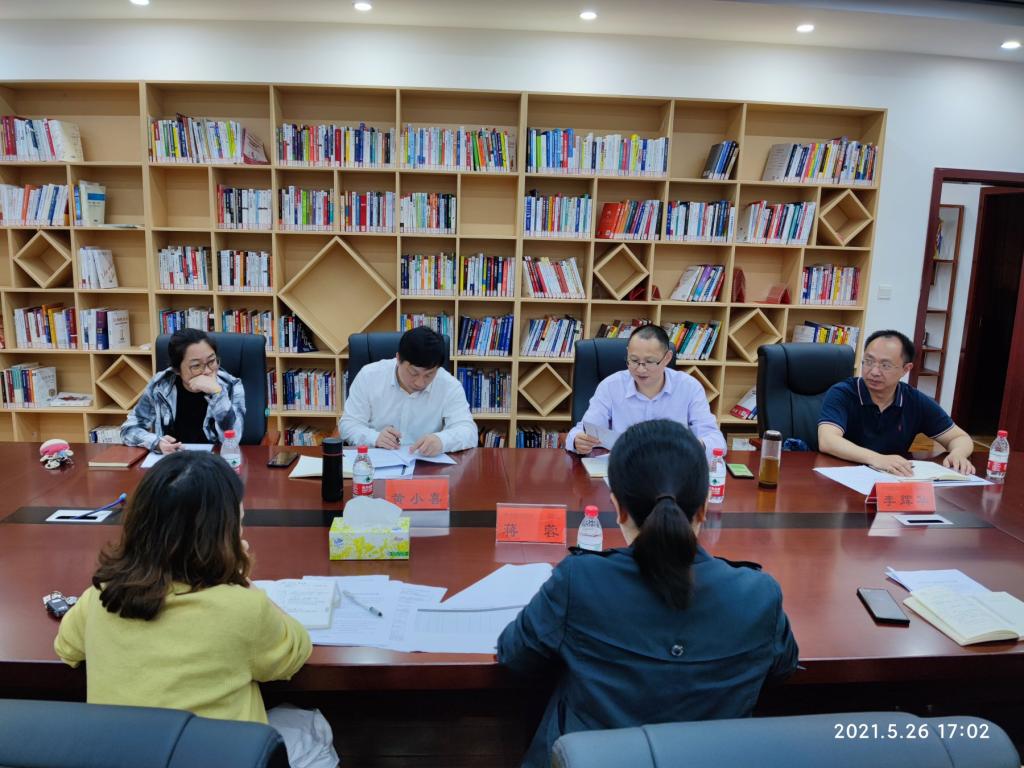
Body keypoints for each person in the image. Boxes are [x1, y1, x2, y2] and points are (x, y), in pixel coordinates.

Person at [498, 419, 798, 767]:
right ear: (704, 507)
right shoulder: (758, 594)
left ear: (618, 508)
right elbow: (782, 670)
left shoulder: (579, 580)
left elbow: (515, 655)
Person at [53, 451, 336, 766]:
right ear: (221, 536)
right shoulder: (242, 607)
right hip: (218, 757)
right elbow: (295, 652)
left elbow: (67, 647)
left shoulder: (101, 595)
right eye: (238, 524)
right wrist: (243, 581)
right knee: (311, 727)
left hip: (124, 756)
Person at [818, 329, 976, 475]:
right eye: (869, 361)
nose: (874, 371)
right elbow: (827, 440)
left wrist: (958, 454)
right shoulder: (843, 393)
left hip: (893, 479)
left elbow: (959, 438)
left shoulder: (914, 400)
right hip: (841, 475)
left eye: (885, 365)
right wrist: (878, 459)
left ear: (906, 369)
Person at [565, 325, 726, 457]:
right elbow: (583, 430)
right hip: (624, 469)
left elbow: (716, 441)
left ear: (667, 358)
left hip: (672, 469)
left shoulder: (689, 387)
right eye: (634, 360)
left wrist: (695, 445)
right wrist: (577, 441)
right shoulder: (610, 386)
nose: (640, 369)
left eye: (649, 362)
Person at [340, 326, 477, 456]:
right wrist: (374, 438)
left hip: (426, 464)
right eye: (413, 373)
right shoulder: (369, 376)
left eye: (429, 375)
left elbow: (468, 431)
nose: (420, 383)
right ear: (398, 358)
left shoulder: (449, 385)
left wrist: (442, 441)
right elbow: (348, 424)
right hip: (376, 462)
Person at [120, 328, 246, 453]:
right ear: (176, 369)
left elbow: (233, 439)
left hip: (214, 460)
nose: (208, 371)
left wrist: (217, 393)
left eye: (212, 361)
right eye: (196, 366)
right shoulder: (160, 386)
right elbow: (128, 429)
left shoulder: (232, 385)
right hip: (173, 459)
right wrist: (156, 442)